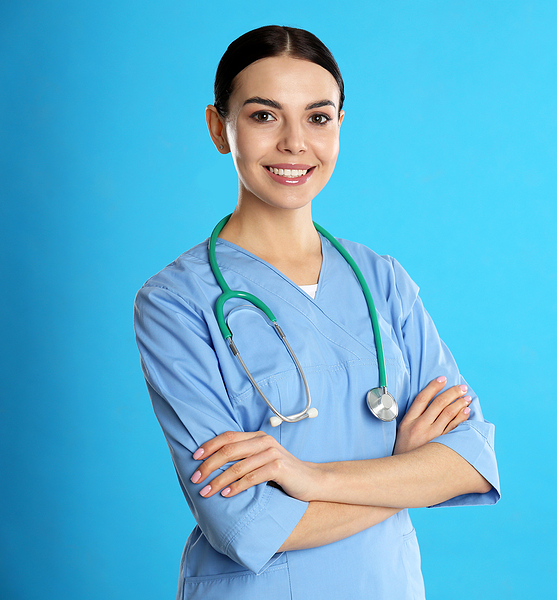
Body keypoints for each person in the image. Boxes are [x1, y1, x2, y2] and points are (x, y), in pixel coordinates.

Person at [134, 25, 499, 600]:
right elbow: (246, 526)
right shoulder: (177, 303)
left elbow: (469, 464)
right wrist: (404, 472)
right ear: (219, 128)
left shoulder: (383, 280)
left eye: (318, 117)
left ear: (339, 127)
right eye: (264, 116)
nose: (295, 143)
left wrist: (308, 478)